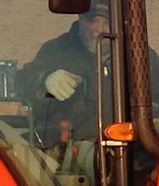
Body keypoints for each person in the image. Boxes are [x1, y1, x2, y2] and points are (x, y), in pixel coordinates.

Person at [23, 8, 110, 147]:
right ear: (80, 18)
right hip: (62, 151)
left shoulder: (136, 57)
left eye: (107, 22)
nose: (98, 30)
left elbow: (157, 92)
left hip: (123, 151)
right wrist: (44, 79)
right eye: (92, 21)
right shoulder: (56, 50)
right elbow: (22, 82)